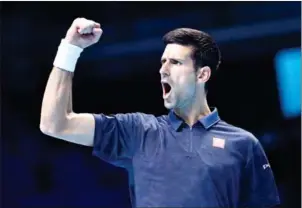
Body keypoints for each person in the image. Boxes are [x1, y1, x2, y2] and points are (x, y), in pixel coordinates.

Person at [40, 18, 281, 208]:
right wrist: (70, 49)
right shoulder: (137, 131)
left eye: (175, 63)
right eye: (162, 62)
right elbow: (55, 124)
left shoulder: (243, 144)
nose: (163, 71)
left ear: (202, 75)